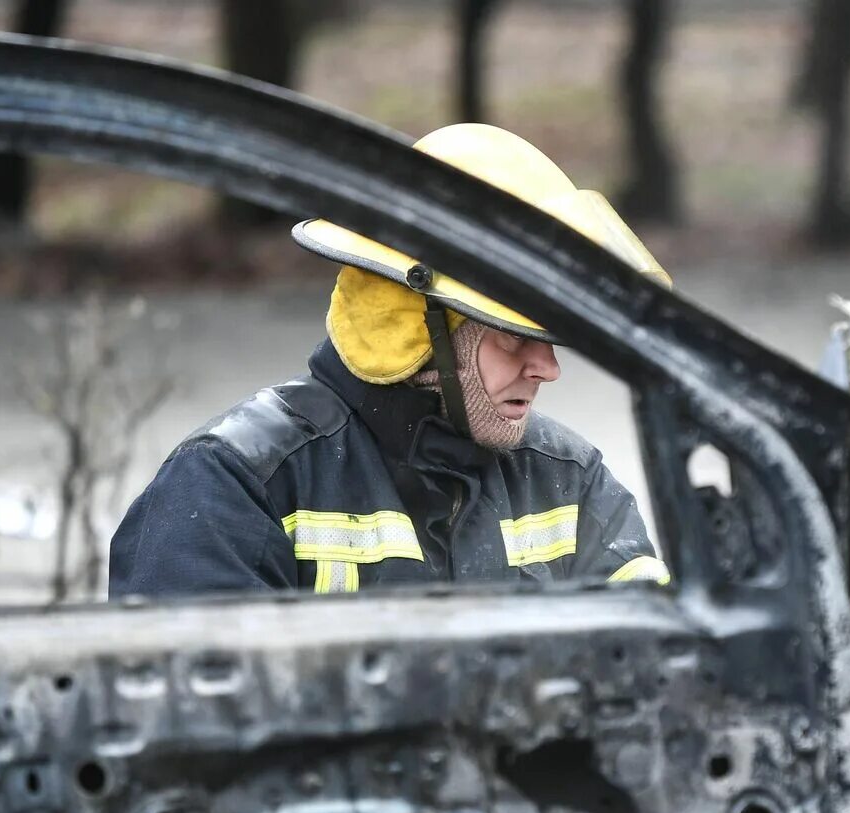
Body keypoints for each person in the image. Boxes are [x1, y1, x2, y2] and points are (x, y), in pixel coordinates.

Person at [109, 123, 672, 598]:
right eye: (512, 337)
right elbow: (188, 712)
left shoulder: (569, 482)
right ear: (416, 330)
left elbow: (666, 668)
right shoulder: (236, 485)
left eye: (550, 337)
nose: (547, 367)